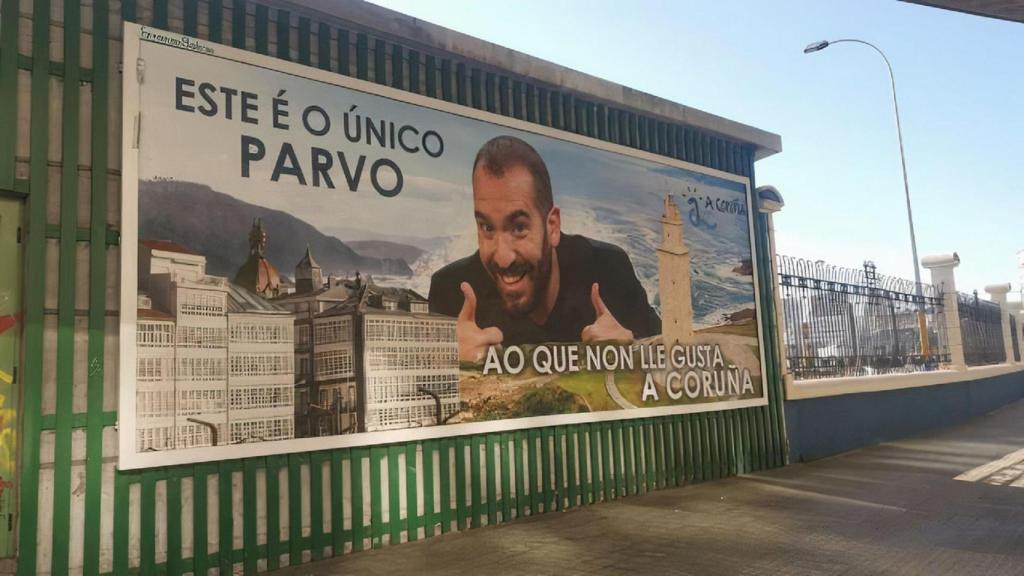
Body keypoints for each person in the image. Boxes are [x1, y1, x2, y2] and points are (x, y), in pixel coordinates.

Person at [429, 135, 661, 362]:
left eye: (519, 227)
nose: (502, 257)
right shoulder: (450, 293)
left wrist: (633, 353)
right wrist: (447, 362)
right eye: (487, 227)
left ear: (552, 226)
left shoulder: (608, 271)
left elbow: (672, 357)